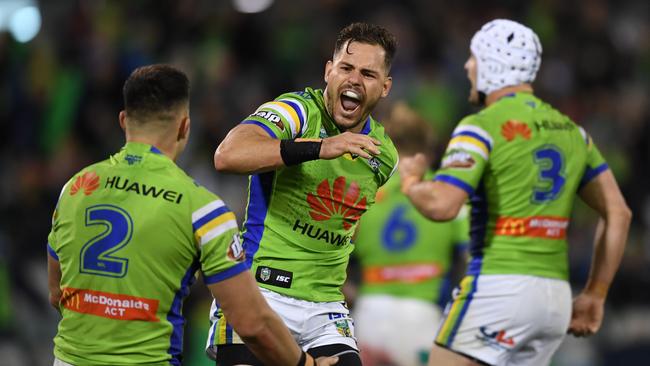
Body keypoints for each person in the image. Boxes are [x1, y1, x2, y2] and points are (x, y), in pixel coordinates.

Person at [46, 64, 337, 366]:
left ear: (123, 121)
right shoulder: (202, 210)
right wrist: (306, 363)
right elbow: (251, 323)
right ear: (185, 126)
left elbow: (57, 294)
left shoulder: (75, 189)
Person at [399, 19, 631, 366]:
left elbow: (443, 206)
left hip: (498, 288)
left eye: (473, 58)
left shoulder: (480, 126)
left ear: (492, 64)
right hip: (554, 300)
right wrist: (596, 294)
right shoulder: (573, 132)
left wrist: (413, 182)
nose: (467, 67)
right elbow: (619, 213)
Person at [206, 22, 399, 366]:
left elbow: (346, 226)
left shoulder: (383, 156)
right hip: (260, 292)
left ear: (384, 87)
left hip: (324, 311)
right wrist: (320, 147)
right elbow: (228, 155)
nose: (354, 79)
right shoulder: (298, 112)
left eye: (368, 74)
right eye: (346, 68)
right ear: (329, 71)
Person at [347, 102, 469, 366]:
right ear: (427, 151)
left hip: (369, 313)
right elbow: (470, 258)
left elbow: (334, 255)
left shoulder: (364, 191)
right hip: (422, 316)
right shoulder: (447, 193)